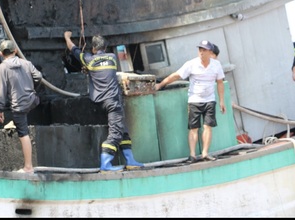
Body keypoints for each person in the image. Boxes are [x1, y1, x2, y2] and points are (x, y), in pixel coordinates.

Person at [63, 31, 144, 171]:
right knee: (115, 133)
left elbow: (73, 49)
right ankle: (105, 164)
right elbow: (105, 71)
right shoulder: (112, 58)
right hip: (113, 101)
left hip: (100, 102)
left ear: (93, 48)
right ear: (105, 48)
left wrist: (66, 37)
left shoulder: (88, 60)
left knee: (122, 129)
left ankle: (130, 160)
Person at [154, 40, 226, 163]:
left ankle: (205, 153)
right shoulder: (191, 64)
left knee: (208, 127)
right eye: (200, 50)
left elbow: (220, 83)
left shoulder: (216, 65)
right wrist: (160, 85)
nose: (201, 53)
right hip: (194, 100)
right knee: (194, 128)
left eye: (204, 50)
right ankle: (192, 155)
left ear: (210, 52)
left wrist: (221, 101)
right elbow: (176, 76)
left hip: (210, 100)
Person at [0, 39, 42, 173]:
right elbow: (38, 77)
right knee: (22, 121)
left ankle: (28, 167)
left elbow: (1, 90)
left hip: (18, 105)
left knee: (23, 133)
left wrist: (0, 108)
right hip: (32, 100)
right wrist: (32, 89)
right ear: (15, 51)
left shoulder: (3, 67)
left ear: (1, 53)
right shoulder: (26, 63)